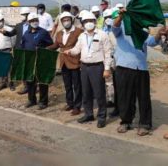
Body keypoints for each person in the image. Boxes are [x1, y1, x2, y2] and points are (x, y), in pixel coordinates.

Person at [113, 8, 163, 136]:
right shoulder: (122, 27)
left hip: (141, 68)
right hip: (124, 67)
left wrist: (159, 34)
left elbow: (151, 42)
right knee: (125, 97)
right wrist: (120, 16)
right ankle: (125, 122)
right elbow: (115, 27)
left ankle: (145, 124)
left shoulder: (142, 30)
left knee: (144, 97)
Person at [64, 12, 112, 128]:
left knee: (99, 93)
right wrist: (70, 51)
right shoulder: (82, 36)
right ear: (83, 23)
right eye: (86, 21)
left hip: (97, 67)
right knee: (86, 92)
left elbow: (108, 53)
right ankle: (88, 114)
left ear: (95, 22)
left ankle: (101, 117)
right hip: (84, 67)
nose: (89, 23)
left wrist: (107, 69)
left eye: (91, 21)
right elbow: (77, 49)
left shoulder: (102, 35)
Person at [48, 12, 83, 115]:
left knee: (77, 85)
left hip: (75, 61)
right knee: (67, 85)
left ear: (71, 20)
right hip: (64, 62)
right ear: (61, 22)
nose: (66, 22)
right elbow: (56, 45)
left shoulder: (78, 32)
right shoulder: (60, 33)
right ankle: (70, 103)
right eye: (63, 20)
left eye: (67, 20)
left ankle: (77, 106)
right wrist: (45, 48)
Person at [22, 12, 53, 110]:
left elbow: (51, 45)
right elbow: (23, 45)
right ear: (28, 22)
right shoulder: (26, 33)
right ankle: (31, 100)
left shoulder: (43, 32)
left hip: (41, 60)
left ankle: (43, 102)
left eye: (36, 20)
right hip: (30, 60)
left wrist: (43, 50)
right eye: (32, 21)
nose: (34, 22)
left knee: (42, 81)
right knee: (30, 81)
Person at [1, 7, 31, 94]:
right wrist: (5, 33)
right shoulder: (18, 26)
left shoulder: (32, 26)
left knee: (30, 68)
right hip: (19, 50)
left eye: (24, 15)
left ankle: (32, 86)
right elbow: (11, 33)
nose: (23, 16)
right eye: (22, 15)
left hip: (29, 50)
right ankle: (26, 86)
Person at [102, 9, 119, 117]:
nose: (108, 19)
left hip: (117, 59)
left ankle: (118, 105)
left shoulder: (117, 30)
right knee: (108, 82)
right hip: (107, 59)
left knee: (118, 84)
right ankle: (110, 99)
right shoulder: (103, 30)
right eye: (106, 17)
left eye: (110, 17)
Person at [0, 14, 15, 91]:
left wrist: (11, 49)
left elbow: (13, 40)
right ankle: (3, 83)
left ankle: (11, 84)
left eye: (0, 21)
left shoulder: (9, 29)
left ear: (3, 21)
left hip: (7, 50)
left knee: (9, 68)